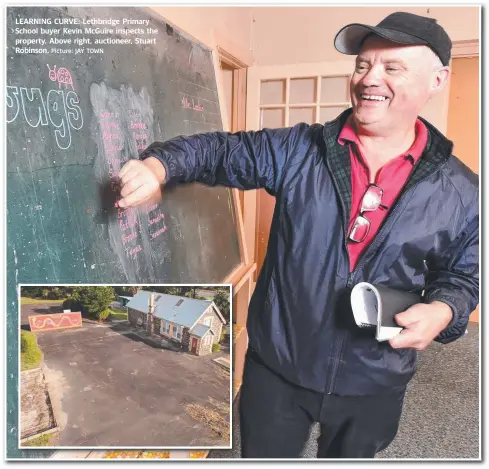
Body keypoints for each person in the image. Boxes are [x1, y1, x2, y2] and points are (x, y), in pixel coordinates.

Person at [116, 12, 479, 458]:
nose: (370, 79)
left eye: (392, 68)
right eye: (363, 65)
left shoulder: (463, 190)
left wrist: (443, 310)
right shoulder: (299, 148)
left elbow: (463, 275)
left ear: (437, 79)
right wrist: (158, 165)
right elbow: (220, 151)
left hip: (375, 376)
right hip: (278, 366)